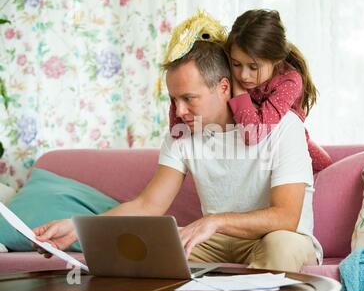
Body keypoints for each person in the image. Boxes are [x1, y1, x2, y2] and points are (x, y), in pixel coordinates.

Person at [33, 14, 322, 272]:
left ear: (223, 88)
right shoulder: (183, 134)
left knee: (279, 247)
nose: (179, 111)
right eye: (174, 99)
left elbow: (285, 216)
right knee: (151, 250)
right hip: (220, 240)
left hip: (283, 237)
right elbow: (148, 204)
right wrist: (78, 227)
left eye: (189, 99)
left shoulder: (284, 127)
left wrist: (216, 221)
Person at [169, 9, 332, 174]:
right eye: (236, 64)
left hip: (279, 137)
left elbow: (253, 134)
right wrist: (179, 94)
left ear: (276, 60)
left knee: (325, 166)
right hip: (249, 153)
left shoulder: (290, 81)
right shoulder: (229, 65)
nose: (243, 75)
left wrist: (239, 89)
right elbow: (178, 132)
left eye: (253, 67)